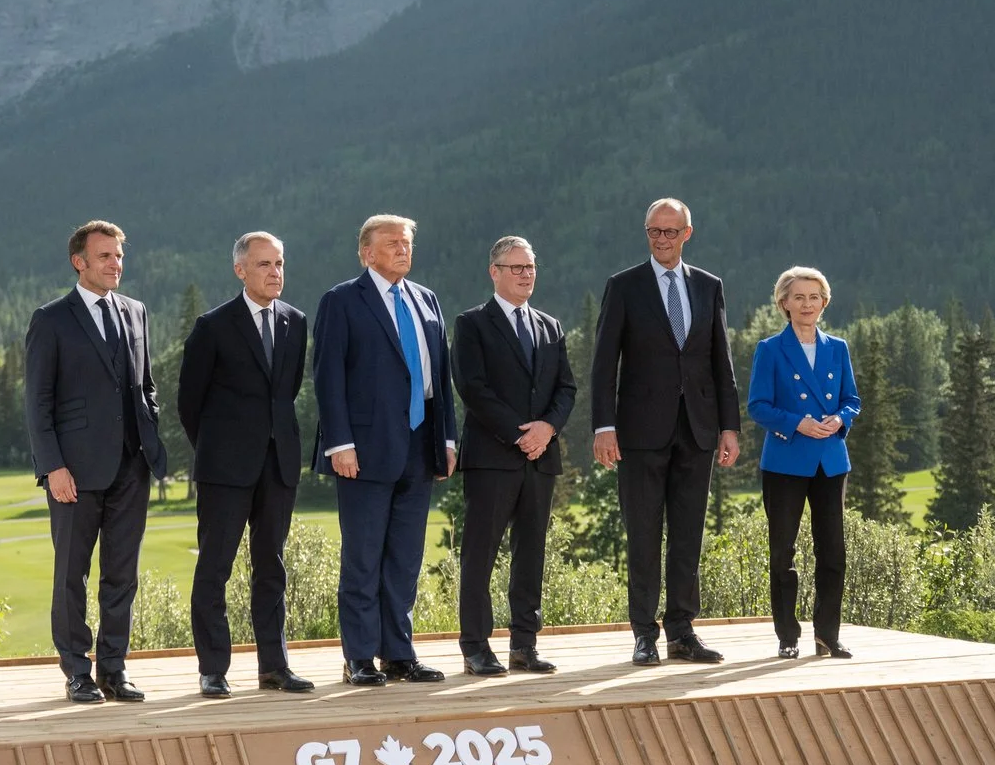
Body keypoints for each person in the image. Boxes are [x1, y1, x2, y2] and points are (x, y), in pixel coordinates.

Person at [592, 198, 741, 666]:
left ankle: (681, 630)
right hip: (638, 433)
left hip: (697, 430)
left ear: (687, 234)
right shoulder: (624, 286)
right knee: (642, 534)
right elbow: (602, 365)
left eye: (670, 232)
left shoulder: (709, 286)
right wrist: (604, 425)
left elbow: (721, 360)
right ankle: (644, 633)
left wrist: (729, 427)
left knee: (687, 536)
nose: (661, 239)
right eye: (654, 231)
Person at [25, 221, 167, 704]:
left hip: (132, 466)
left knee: (121, 574)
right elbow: (38, 403)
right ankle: (76, 673)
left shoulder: (136, 312)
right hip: (74, 472)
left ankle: (113, 668)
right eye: (105, 256)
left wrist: (150, 439)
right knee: (71, 574)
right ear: (79, 262)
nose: (115, 265)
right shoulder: (52, 319)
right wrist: (53, 467)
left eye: (119, 256)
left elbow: (145, 386)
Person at [312, 214, 456, 687]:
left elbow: (442, 377)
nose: (402, 249)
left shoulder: (426, 299)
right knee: (364, 556)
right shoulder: (342, 300)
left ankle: (399, 654)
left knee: (404, 558)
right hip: (363, 449)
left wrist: (447, 439)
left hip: (420, 445)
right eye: (392, 243)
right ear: (366, 252)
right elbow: (328, 376)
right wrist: (339, 443)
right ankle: (358, 657)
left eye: (407, 242)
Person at [175, 231, 314, 697]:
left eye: (279, 264)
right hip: (225, 469)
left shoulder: (296, 322)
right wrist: (218, 448)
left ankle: (274, 667)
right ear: (240, 270)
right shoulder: (212, 327)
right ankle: (213, 669)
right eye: (264, 265)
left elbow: (286, 392)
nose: (275, 273)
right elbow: (189, 403)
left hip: (279, 466)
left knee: (272, 566)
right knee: (215, 567)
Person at [450, 235, 578, 677]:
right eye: (517, 268)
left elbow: (566, 388)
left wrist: (547, 429)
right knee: (480, 555)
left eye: (531, 268)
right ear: (495, 272)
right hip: (492, 458)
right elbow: (472, 388)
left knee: (532, 555)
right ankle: (475, 647)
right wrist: (519, 434)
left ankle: (525, 645)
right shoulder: (471, 324)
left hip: (541, 457)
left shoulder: (550, 326)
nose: (526, 276)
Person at [746, 267, 862, 660]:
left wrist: (841, 418)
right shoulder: (770, 349)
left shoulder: (838, 348)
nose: (807, 304)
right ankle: (788, 635)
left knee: (833, 552)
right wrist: (798, 423)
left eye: (814, 297)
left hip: (830, 461)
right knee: (783, 553)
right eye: (798, 297)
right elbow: (757, 406)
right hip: (785, 462)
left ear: (824, 303)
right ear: (784, 304)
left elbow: (852, 399)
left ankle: (828, 634)